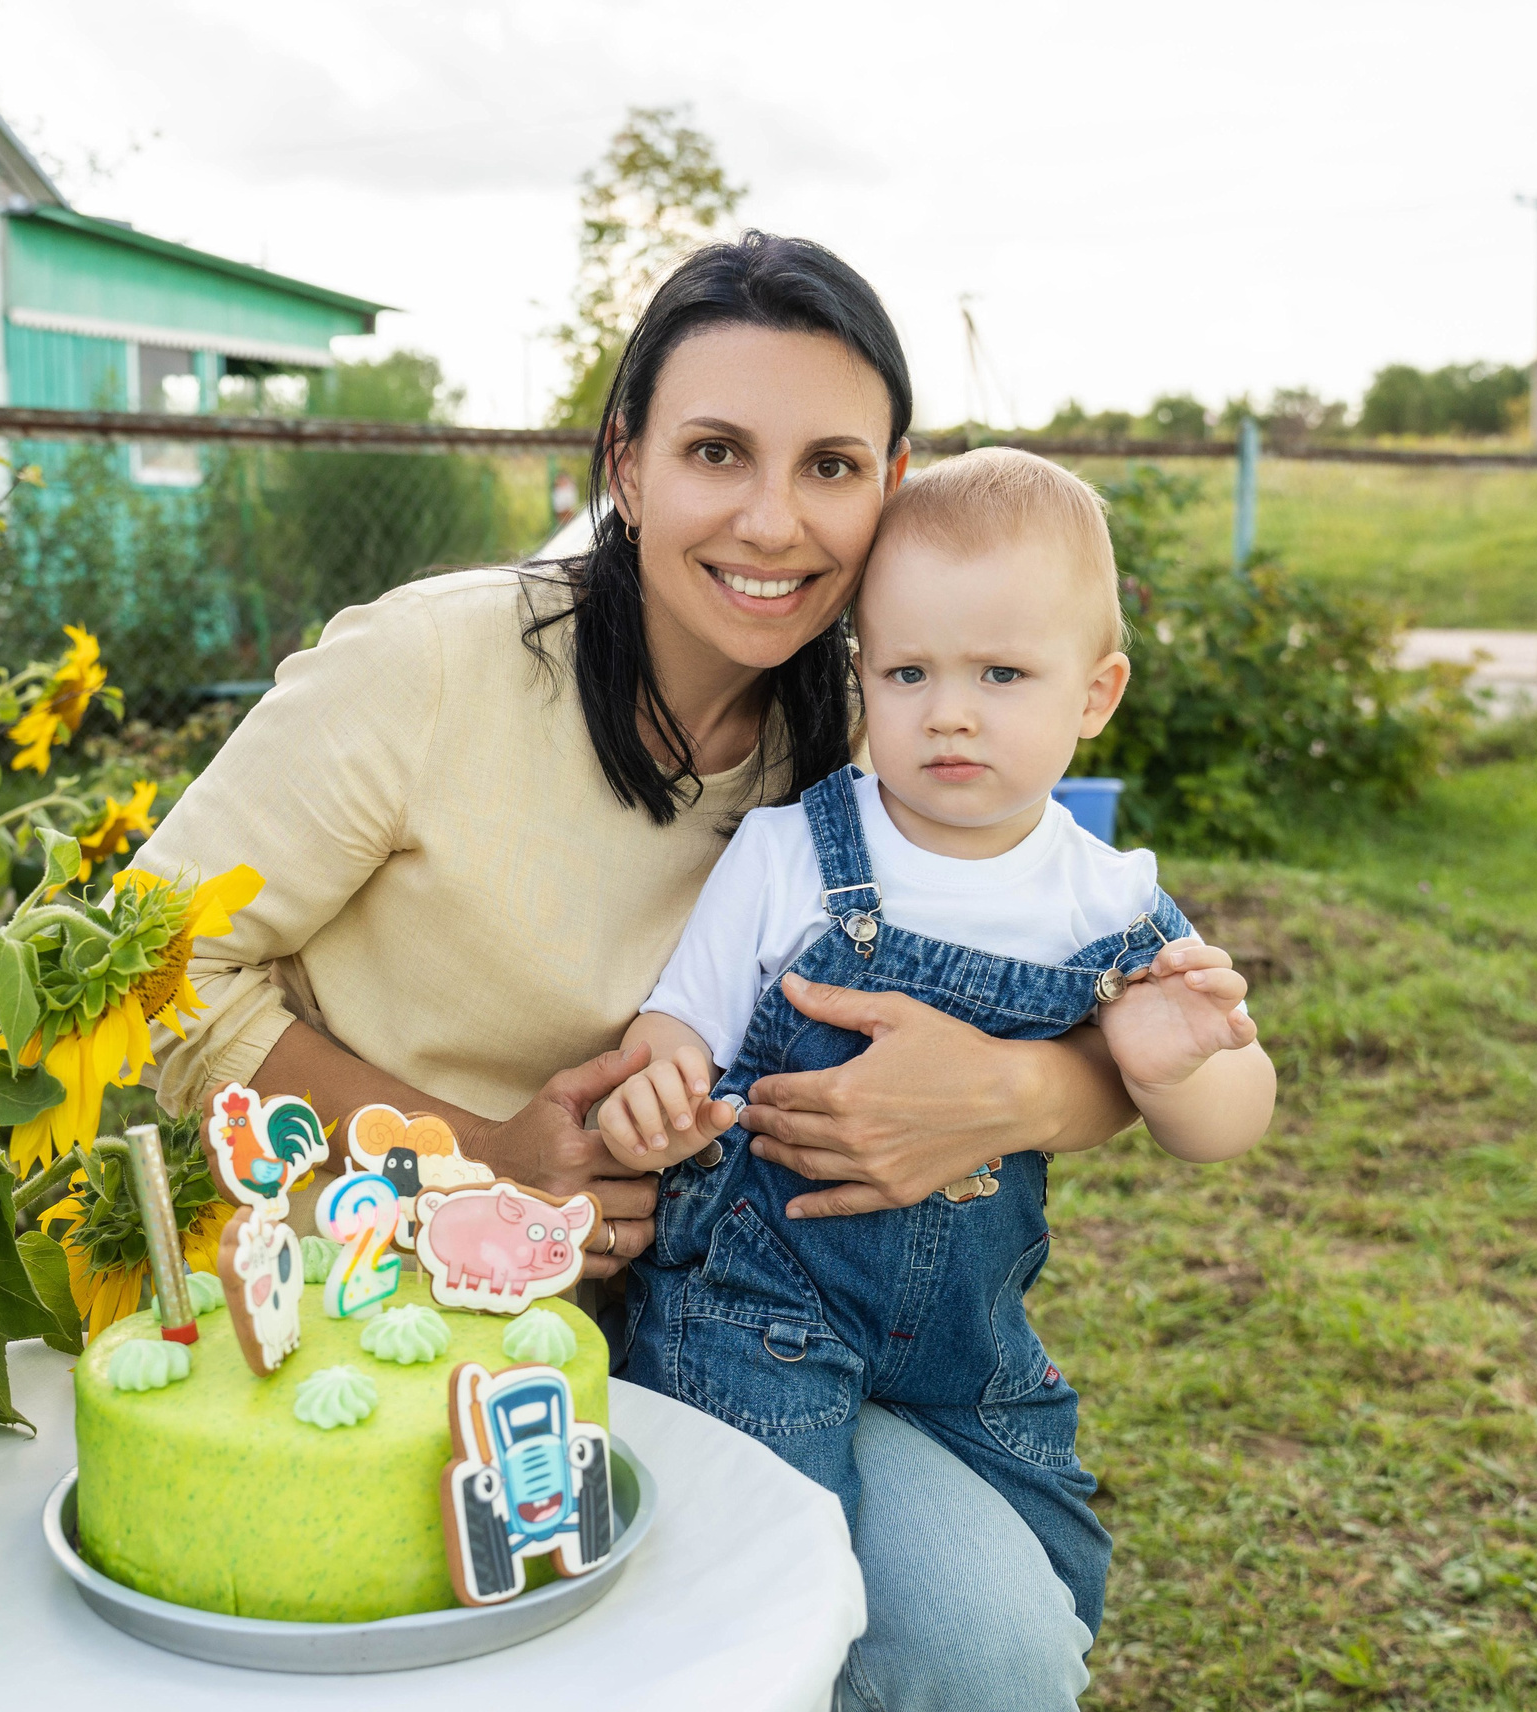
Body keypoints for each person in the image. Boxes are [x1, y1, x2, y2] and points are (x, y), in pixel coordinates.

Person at [129, 232, 1147, 1711]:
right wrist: (473, 1166)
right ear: (627, 462)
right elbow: (154, 973)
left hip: (738, 1325)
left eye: (832, 466)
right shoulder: (430, 672)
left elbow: (1094, 1002)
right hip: (393, 1314)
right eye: (718, 451)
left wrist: (1013, 1090)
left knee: (995, 1649)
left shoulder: (879, 742)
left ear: (893, 485)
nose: (774, 521)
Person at [595, 447, 1277, 1630]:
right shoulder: (791, 852)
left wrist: (1180, 1064)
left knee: (1056, 1573)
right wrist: (653, 1088)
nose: (948, 711)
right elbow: (677, 1024)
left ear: (1095, 693)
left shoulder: (1105, 901)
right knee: (764, 1585)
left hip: (968, 1340)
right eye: (907, 670)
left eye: (1003, 672)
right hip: (755, 1313)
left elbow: (1231, 1124)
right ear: (863, 673)